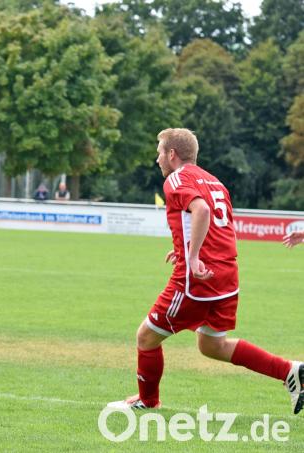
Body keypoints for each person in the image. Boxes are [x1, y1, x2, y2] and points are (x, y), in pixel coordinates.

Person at [108, 128, 303, 413]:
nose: (157, 158)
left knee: (146, 338)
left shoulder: (176, 178)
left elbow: (201, 211)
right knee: (212, 346)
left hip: (198, 280)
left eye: (159, 152)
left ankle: (147, 401)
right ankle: (290, 371)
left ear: (172, 154)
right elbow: (219, 226)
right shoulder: (215, 182)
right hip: (227, 276)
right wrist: (185, 249)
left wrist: (194, 256)